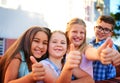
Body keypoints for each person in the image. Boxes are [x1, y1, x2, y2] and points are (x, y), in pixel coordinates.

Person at [89, 15, 120, 81]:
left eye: (106, 30)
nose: (102, 31)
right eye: (99, 27)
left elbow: (111, 52)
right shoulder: (90, 43)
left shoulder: (109, 46)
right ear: (94, 28)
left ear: (111, 33)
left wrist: (113, 54)